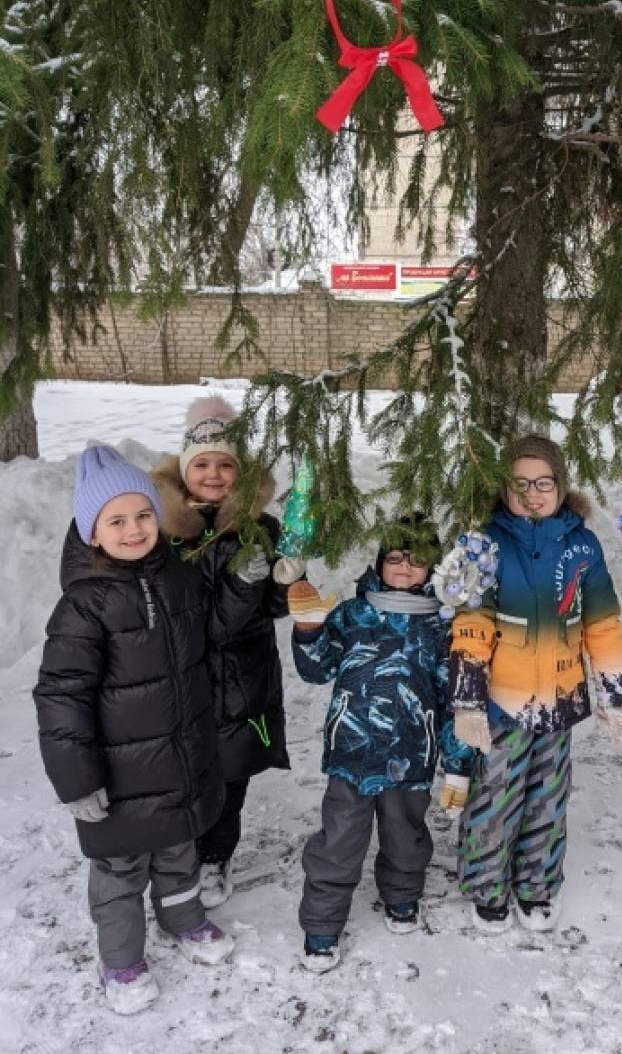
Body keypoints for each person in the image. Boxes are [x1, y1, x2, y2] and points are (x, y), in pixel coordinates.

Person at [34, 446, 233, 1016]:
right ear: (92, 533)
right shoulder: (83, 606)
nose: (134, 529)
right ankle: (121, 960)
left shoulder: (177, 577)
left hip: (178, 759)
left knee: (177, 852)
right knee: (120, 871)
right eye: (115, 520)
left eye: (143, 514)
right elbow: (61, 695)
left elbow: (206, 641)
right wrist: (76, 780)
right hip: (117, 777)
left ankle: (184, 919)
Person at [448, 434, 622, 934]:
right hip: (502, 704)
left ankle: (536, 887)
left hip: (559, 699)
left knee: (548, 800)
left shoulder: (582, 545)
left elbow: (601, 622)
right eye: (520, 484)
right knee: (496, 798)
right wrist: (467, 700)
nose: (532, 494)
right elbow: (472, 623)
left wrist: (615, 689)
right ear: (503, 488)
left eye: (544, 483)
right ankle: (488, 888)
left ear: (560, 486)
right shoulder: (484, 542)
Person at [289, 515, 473, 972]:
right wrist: (309, 632)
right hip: (352, 752)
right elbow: (317, 670)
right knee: (340, 838)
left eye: (417, 560)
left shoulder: (442, 625)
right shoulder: (354, 613)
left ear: (433, 567)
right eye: (395, 558)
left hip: (411, 755)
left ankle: (402, 895)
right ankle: (322, 923)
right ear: (379, 562)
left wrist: (458, 761)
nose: (405, 568)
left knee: (405, 834)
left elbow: (453, 700)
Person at [152, 396, 299, 909]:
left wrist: (288, 579)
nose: (214, 475)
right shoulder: (161, 532)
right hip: (180, 679)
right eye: (202, 464)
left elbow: (278, 607)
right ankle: (177, 857)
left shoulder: (263, 528)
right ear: (185, 467)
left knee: (229, 781)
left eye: (225, 464)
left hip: (243, 678)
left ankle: (215, 857)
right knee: (180, 775)